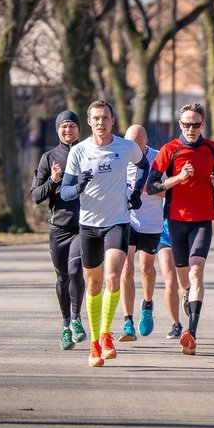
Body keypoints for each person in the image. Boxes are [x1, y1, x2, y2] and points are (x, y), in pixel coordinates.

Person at [60, 100, 148, 368]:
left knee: (113, 277)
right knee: (94, 284)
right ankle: (94, 343)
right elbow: (65, 192)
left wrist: (135, 193)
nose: (101, 123)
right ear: (89, 121)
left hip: (118, 222)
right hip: (88, 225)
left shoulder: (126, 147)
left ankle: (105, 335)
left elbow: (144, 166)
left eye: (105, 118)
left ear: (113, 121)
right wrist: (79, 187)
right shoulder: (79, 151)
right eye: (96, 118)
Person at [147, 103, 214, 356]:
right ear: (180, 124)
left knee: (196, 273)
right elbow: (152, 186)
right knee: (184, 282)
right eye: (187, 124)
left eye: (196, 124)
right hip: (176, 221)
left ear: (203, 124)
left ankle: (191, 332)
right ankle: (187, 298)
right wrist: (178, 178)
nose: (191, 129)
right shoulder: (170, 150)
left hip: (203, 219)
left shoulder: (213, 148)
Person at [30, 110, 87, 350]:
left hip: (83, 225)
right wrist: (53, 180)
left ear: (78, 129)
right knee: (62, 277)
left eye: (72, 126)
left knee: (75, 270)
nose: (68, 130)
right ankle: (65, 326)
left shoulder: (87, 152)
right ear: (57, 130)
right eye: (64, 126)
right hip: (59, 227)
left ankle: (76, 319)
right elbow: (35, 196)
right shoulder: (49, 157)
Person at [117, 125, 165, 342]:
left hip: (151, 222)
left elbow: (168, 189)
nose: (133, 148)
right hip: (126, 220)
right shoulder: (120, 155)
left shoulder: (158, 158)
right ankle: (127, 321)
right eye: (129, 143)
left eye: (137, 144)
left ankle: (147, 304)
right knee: (126, 267)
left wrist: (149, 188)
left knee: (146, 268)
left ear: (146, 142)